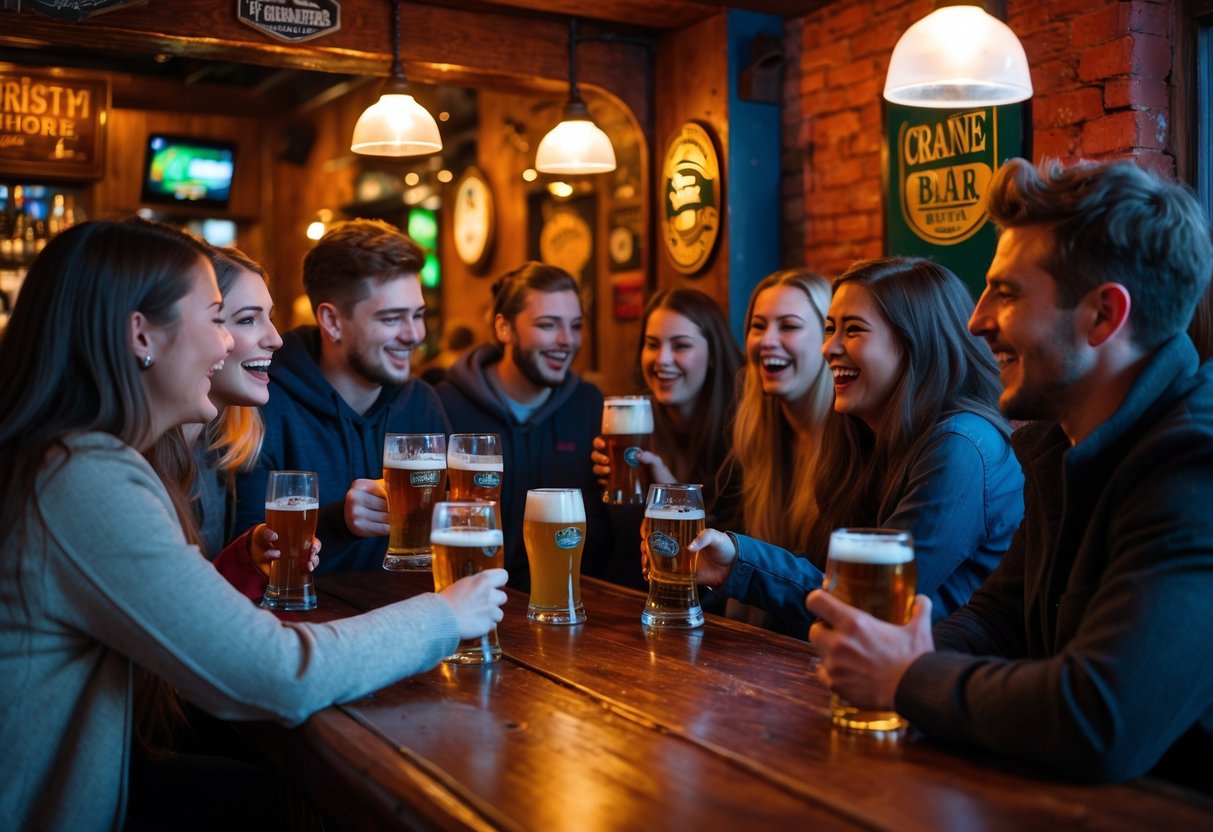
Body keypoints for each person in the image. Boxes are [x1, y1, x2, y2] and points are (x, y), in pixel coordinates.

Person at [0, 219, 508, 830]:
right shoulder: (83, 477)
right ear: (141, 335)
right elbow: (277, 674)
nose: (227, 347)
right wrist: (446, 616)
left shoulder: (70, 459)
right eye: (218, 318)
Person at [806, 158, 1213, 788]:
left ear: (1103, 316)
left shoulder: (1194, 468)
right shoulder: (1057, 444)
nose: (977, 320)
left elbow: (1098, 717)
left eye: (1008, 292)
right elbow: (1001, 617)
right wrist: (909, 652)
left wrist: (905, 677)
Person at [687, 258, 1023, 634]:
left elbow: (865, 600)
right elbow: (830, 580)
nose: (829, 348)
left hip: (935, 681)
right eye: (830, 329)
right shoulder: (866, 435)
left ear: (915, 342)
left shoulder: (959, 447)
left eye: (853, 330)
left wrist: (737, 562)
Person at [233, 219, 449, 572]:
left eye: (419, 315)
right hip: (303, 622)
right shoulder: (264, 401)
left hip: (418, 616)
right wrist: (337, 523)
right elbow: (248, 554)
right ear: (332, 321)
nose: (414, 334)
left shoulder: (421, 403)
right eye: (393, 318)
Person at [437, 262, 608, 590]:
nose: (566, 340)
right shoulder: (446, 404)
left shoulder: (588, 404)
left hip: (569, 601)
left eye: (575, 326)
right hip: (469, 598)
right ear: (504, 328)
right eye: (548, 325)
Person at [591, 289, 744, 588]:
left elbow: (733, 556)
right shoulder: (631, 422)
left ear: (713, 355)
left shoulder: (741, 430)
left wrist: (672, 496)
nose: (662, 360)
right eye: (652, 344)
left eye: (681, 345)